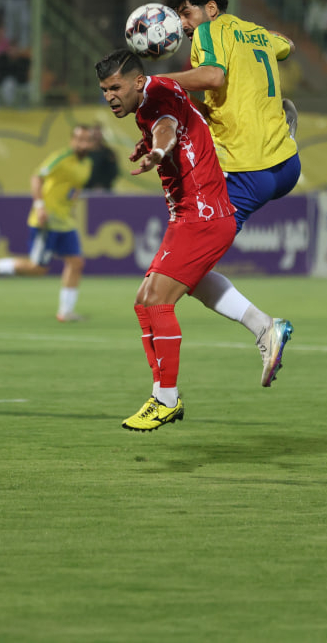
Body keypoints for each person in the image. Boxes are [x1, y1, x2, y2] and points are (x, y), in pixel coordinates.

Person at [156, 0, 298, 387]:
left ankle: (263, 327)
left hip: (245, 170)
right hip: (284, 168)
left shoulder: (208, 32)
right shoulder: (252, 32)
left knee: (186, 273)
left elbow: (214, 77)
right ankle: (281, 130)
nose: (182, 24)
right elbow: (286, 44)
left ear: (210, 9)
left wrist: (156, 82)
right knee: (190, 270)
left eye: (186, 13)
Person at [95, 49, 238, 431]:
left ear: (138, 82)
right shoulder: (157, 94)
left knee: (157, 301)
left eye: (115, 87)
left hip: (203, 217)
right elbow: (175, 124)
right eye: (104, 90)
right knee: (144, 302)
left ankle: (166, 399)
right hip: (189, 217)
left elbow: (167, 128)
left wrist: (157, 150)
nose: (109, 96)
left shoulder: (155, 100)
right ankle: (161, 391)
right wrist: (150, 144)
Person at [0, 125, 94, 322]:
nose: (83, 143)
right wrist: (40, 206)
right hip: (46, 220)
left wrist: (71, 204)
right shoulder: (61, 158)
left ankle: (65, 312)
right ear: (72, 140)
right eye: (79, 139)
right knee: (37, 268)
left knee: (76, 262)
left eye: (87, 140)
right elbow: (37, 177)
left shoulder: (87, 163)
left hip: (65, 221)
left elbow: (75, 187)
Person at [83, 123, 120, 191]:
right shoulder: (84, 153)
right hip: (86, 189)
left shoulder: (109, 153)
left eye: (99, 134)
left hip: (104, 190)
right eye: (95, 135)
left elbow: (114, 172)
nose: (97, 137)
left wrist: (102, 184)